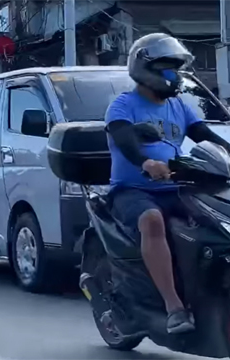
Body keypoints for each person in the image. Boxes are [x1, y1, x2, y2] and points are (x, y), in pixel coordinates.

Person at [105, 33, 230, 334]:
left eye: (176, 67)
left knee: (218, 222)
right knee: (151, 220)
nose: (173, 75)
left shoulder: (180, 107)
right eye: (167, 67)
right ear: (145, 68)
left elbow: (206, 136)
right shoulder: (123, 105)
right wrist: (145, 163)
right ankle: (174, 307)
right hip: (132, 190)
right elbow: (124, 140)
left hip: (175, 185)